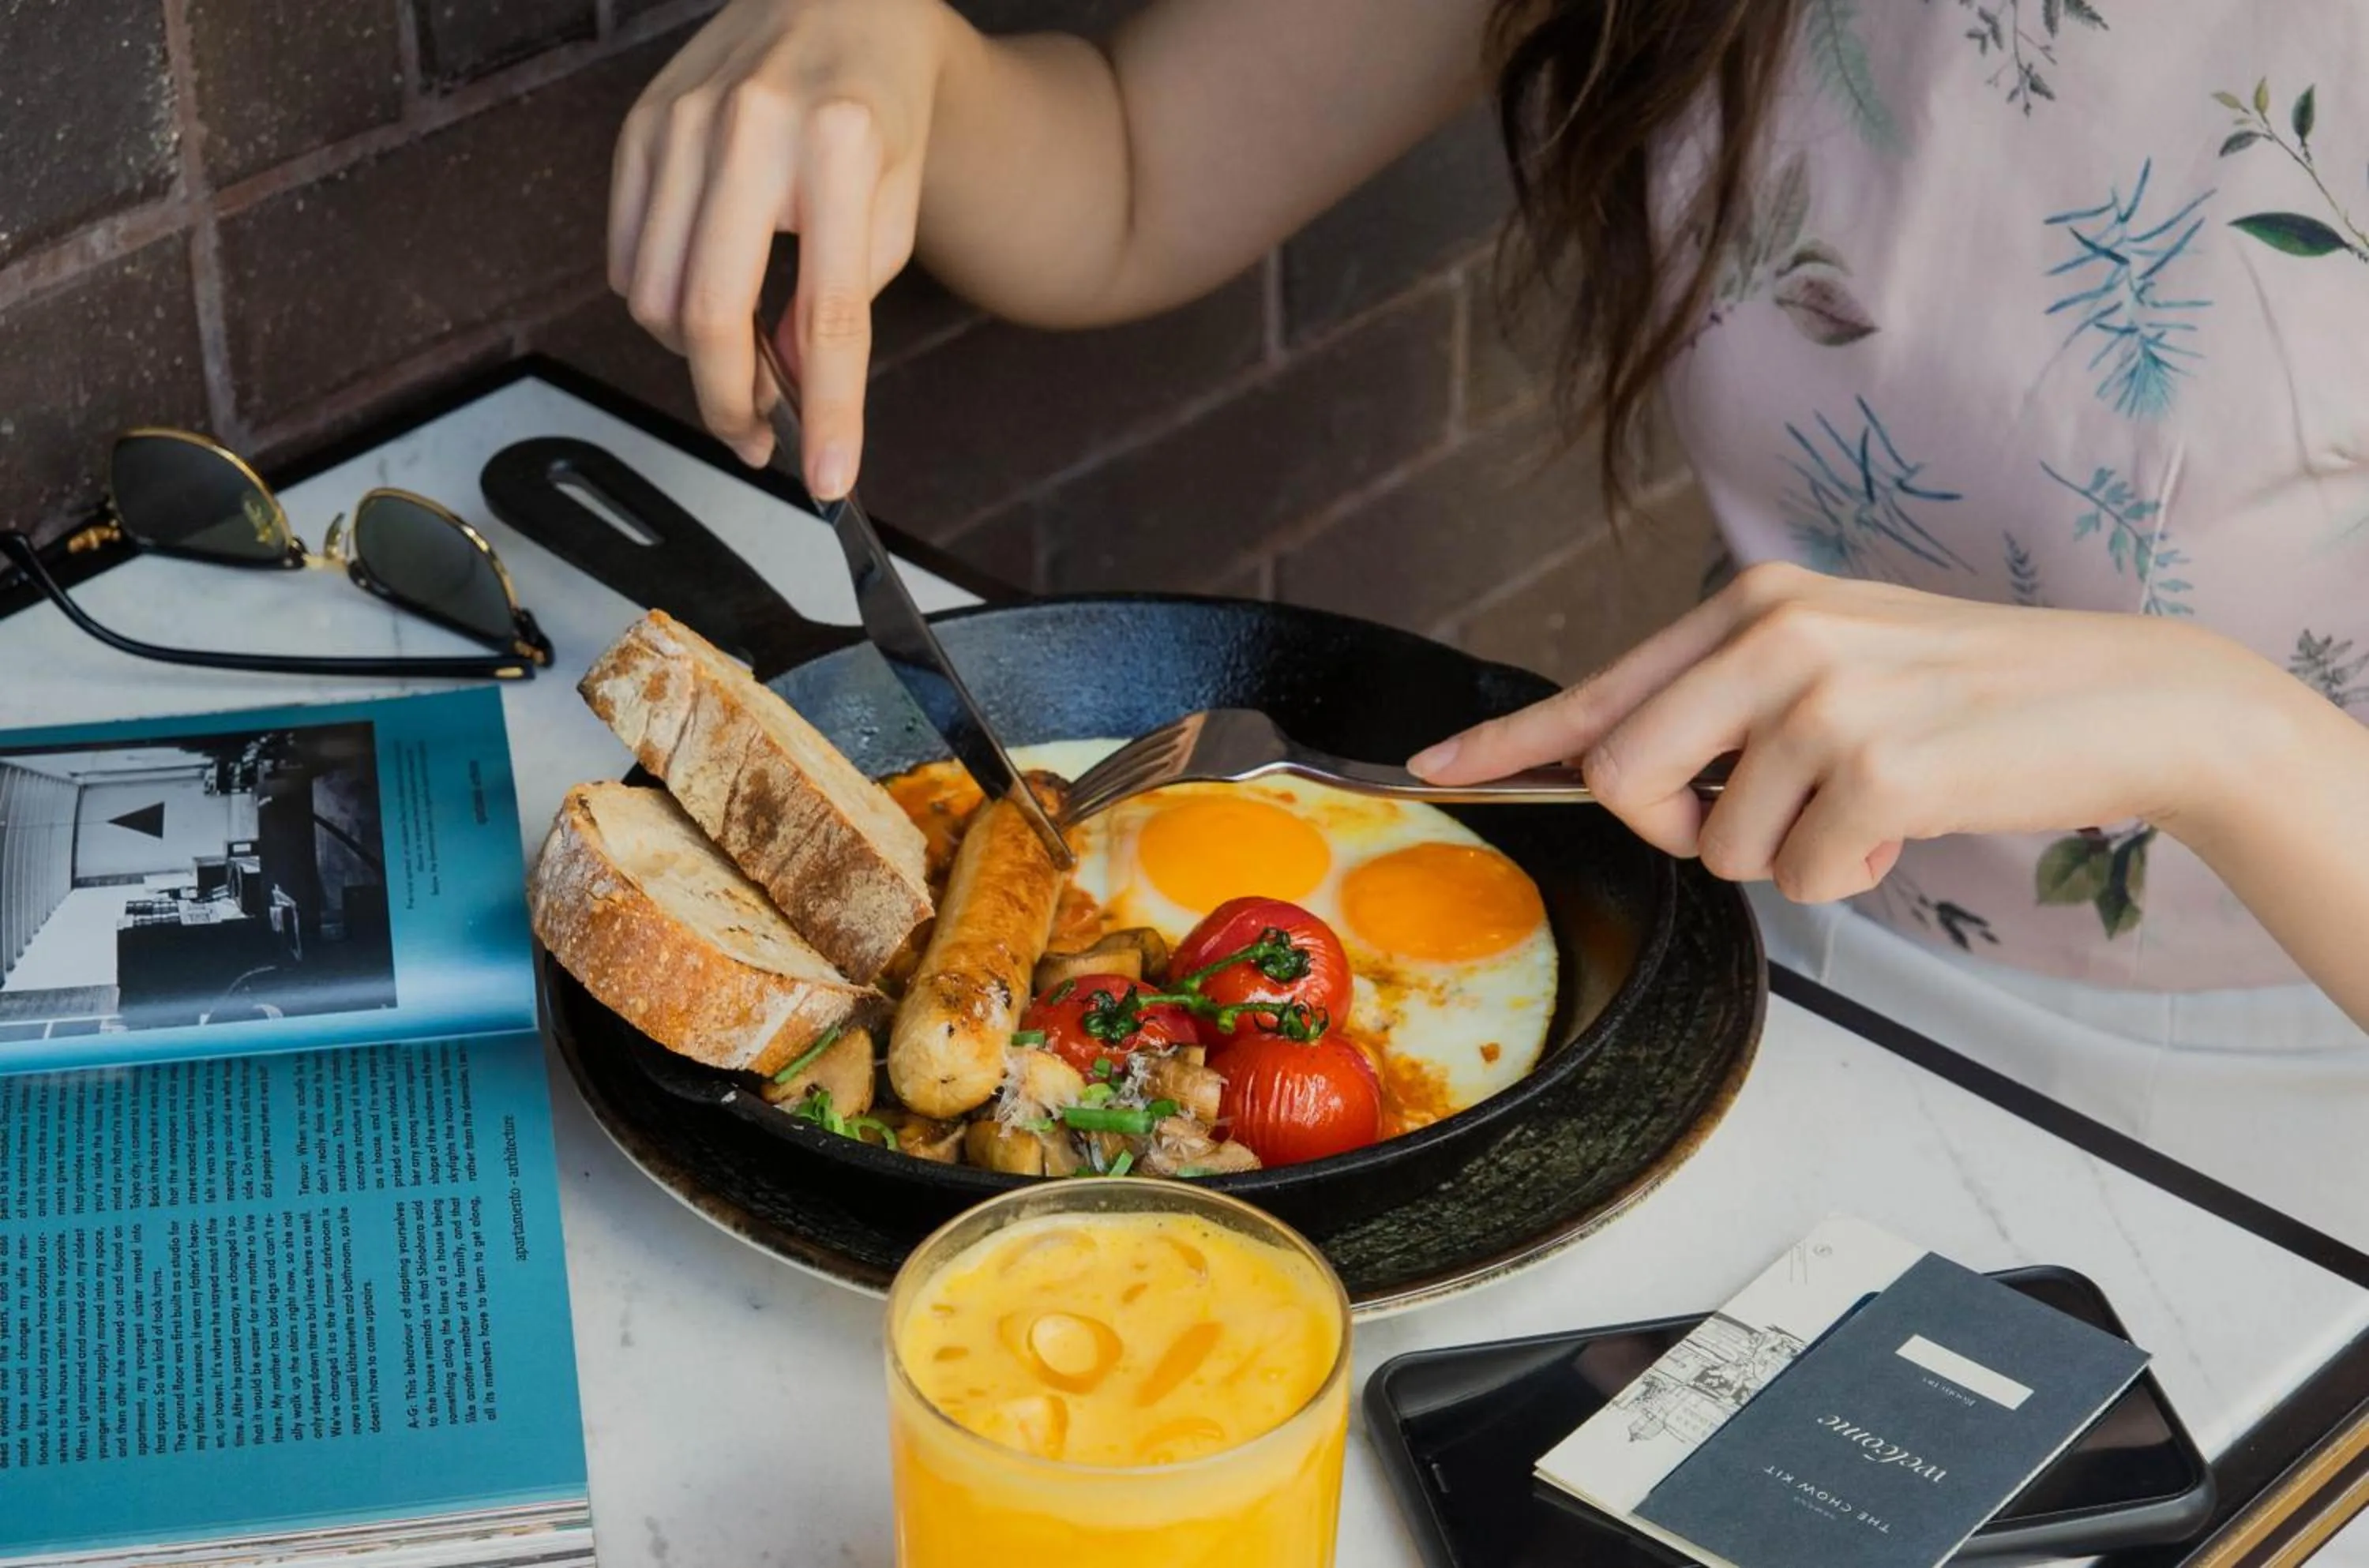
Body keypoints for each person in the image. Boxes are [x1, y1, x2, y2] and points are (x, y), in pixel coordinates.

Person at [607, 0, 2369, 1244]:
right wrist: (891, 51)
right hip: (1761, 990)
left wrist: (2235, 740)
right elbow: (1135, 171)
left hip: (2295, 1123)